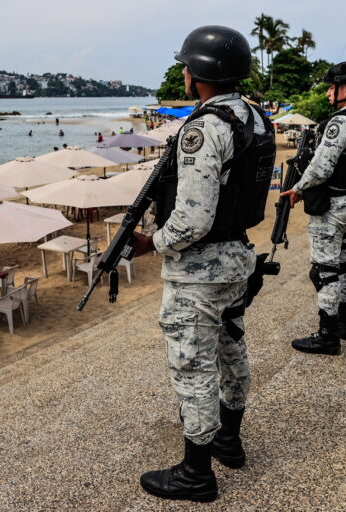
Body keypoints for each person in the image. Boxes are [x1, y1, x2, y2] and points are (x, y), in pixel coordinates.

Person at [131, 25, 275, 503]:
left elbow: (192, 218)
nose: (185, 73)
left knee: (193, 367)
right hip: (238, 257)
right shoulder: (255, 118)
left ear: (199, 74)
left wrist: (154, 242)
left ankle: (196, 473)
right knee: (232, 349)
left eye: (187, 66)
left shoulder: (204, 128)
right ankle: (228, 441)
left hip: (200, 270)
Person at [280, 61, 346, 354]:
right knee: (345, 263)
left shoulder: (340, 123)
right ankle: (345, 324)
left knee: (324, 270)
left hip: (331, 208)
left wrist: (297, 189)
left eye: (331, 87)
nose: (327, 93)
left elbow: (320, 169)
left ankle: (328, 335)